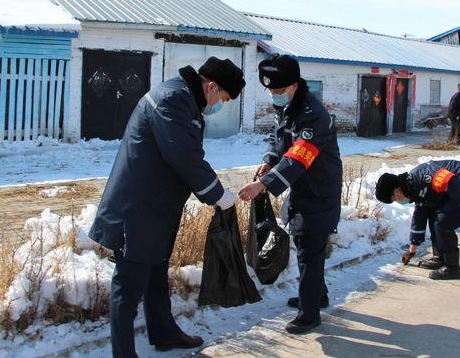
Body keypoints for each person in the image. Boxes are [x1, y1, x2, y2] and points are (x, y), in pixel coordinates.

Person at [89, 57, 244, 357]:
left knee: (156, 274)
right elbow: (184, 158)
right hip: (137, 208)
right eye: (222, 98)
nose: (219, 105)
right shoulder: (172, 99)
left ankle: (164, 333)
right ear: (211, 87)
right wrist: (217, 194)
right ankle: (123, 353)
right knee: (128, 286)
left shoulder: (185, 100)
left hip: (155, 207)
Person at [238, 54, 342, 335]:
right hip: (302, 186)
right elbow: (278, 137)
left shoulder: (313, 115)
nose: (274, 96)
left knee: (309, 246)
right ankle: (316, 295)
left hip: (319, 190)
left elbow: (298, 157)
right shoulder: (288, 107)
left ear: (294, 85)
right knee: (306, 242)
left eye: (279, 91)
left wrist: (264, 184)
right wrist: (270, 158)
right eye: (270, 91)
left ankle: (309, 315)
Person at [374, 159, 460, 280]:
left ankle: (452, 268)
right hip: (455, 192)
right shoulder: (413, 188)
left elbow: (452, 183)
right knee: (434, 216)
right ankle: (440, 258)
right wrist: (412, 251)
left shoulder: (425, 176)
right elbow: (420, 216)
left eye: (394, 198)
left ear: (397, 189)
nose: (398, 201)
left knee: (442, 223)